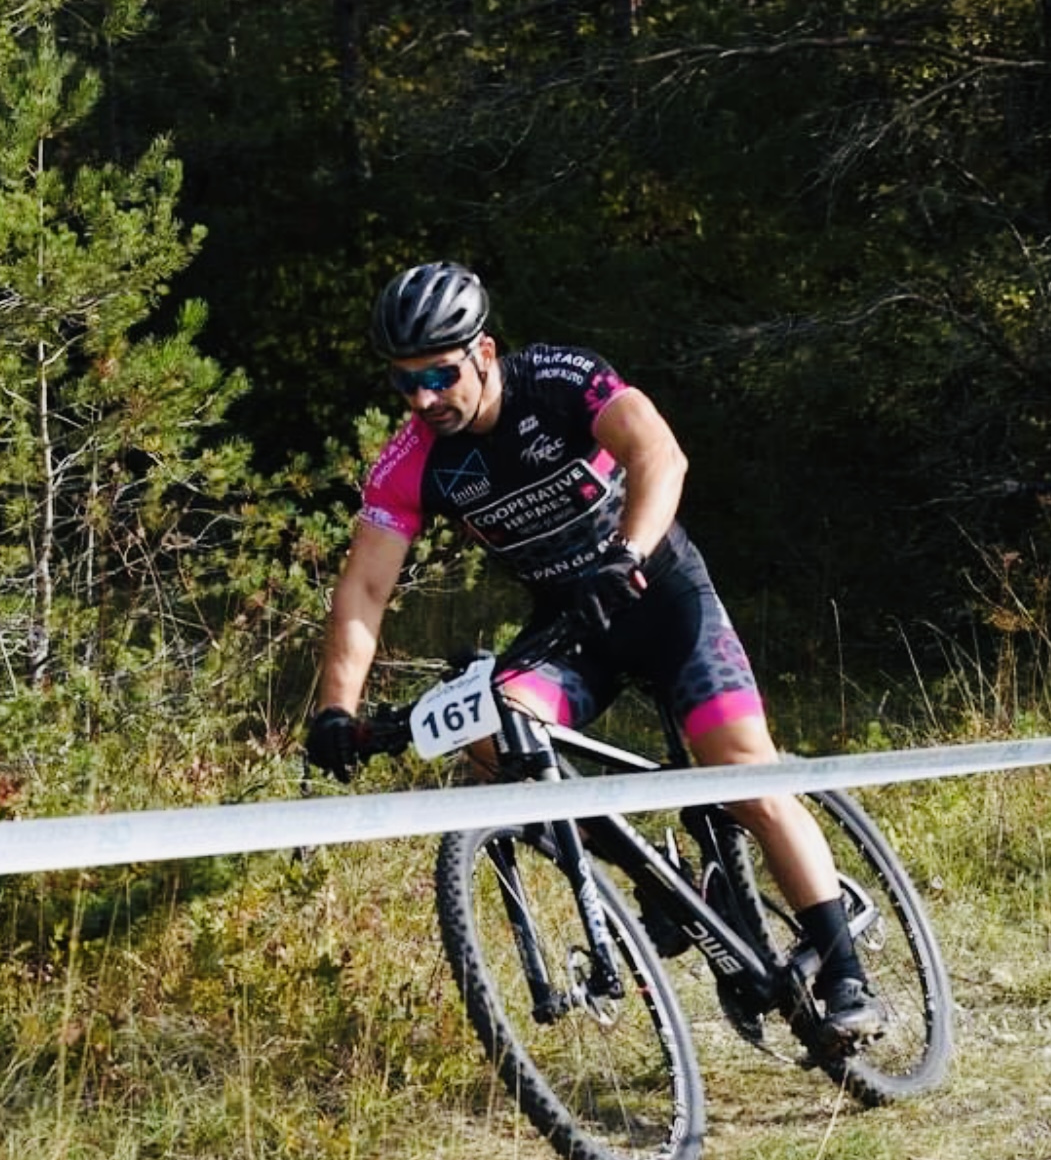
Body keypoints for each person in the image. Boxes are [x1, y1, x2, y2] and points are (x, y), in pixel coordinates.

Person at [305, 260, 883, 1045]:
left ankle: (845, 972)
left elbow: (659, 455)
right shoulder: (410, 460)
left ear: (483, 352)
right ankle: (655, 879)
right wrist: (335, 709)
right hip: (572, 627)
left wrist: (628, 551)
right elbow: (364, 589)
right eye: (405, 381)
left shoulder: (558, 379)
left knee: (744, 773)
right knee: (492, 733)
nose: (423, 398)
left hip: (663, 596)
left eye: (439, 375)